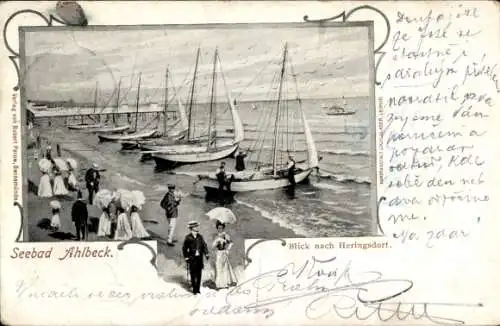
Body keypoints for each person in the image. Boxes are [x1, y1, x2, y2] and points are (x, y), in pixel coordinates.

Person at [182, 221, 209, 295]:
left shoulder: (200, 236)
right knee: (193, 273)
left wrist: (206, 253)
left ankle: (198, 289)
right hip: (192, 258)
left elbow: (204, 245)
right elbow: (184, 248)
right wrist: (186, 257)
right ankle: (194, 289)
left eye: (197, 226)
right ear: (192, 228)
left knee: (199, 273)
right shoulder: (188, 237)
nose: (197, 228)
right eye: (195, 226)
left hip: (199, 258)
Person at [212, 220, 238, 289]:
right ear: (217, 228)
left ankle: (226, 283)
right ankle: (219, 284)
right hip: (218, 253)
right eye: (218, 228)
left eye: (221, 228)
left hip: (224, 252)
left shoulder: (226, 235)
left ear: (223, 228)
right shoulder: (216, 236)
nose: (220, 229)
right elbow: (213, 246)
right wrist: (217, 241)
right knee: (218, 267)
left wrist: (228, 249)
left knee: (225, 268)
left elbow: (231, 243)